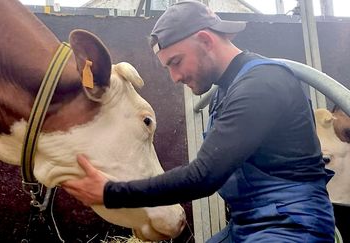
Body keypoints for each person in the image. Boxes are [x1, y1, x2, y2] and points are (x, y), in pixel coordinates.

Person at [62, 1, 336, 242]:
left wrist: (110, 192)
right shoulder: (228, 90)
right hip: (246, 225)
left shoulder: (261, 85)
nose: (175, 77)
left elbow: (203, 177)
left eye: (176, 61)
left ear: (206, 40)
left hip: (292, 226)